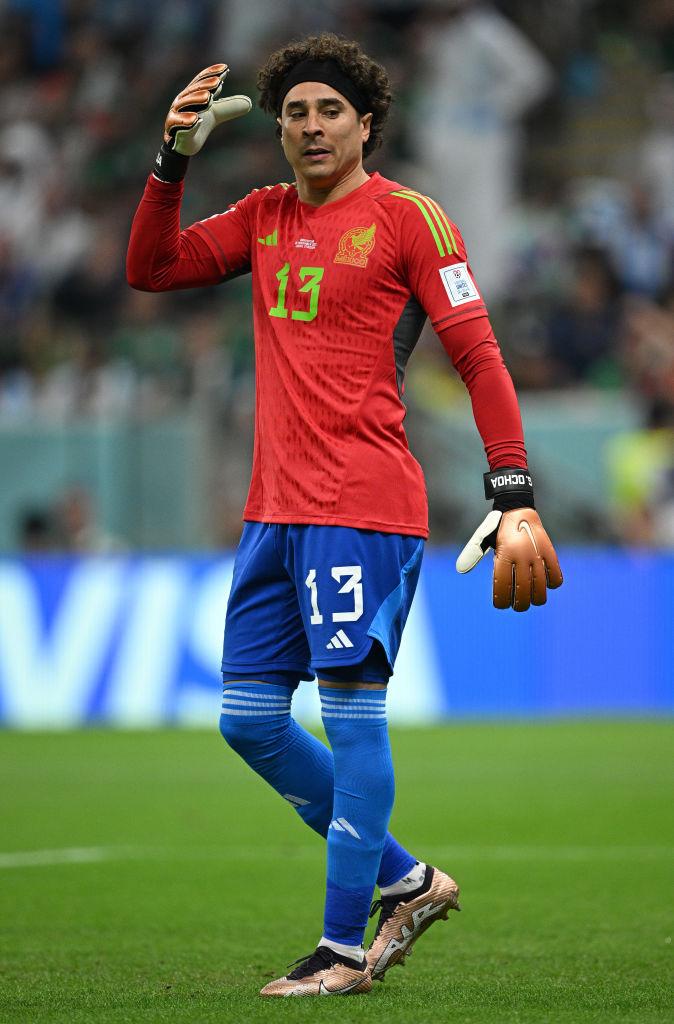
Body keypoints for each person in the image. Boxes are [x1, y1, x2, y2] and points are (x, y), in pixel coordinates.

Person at [127, 33, 563, 998]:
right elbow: (151, 269)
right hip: (273, 512)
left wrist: (512, 488)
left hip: (361, 508)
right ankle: (406, 879)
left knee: (350, 716)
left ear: (366, 125)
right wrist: (170, 164)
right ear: (278, 130)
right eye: (295, 113)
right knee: (248, 721)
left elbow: (480, 357)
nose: (312, 126)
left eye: (330, 111)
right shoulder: (263, 215)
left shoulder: (411, 219)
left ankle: (340, 951)